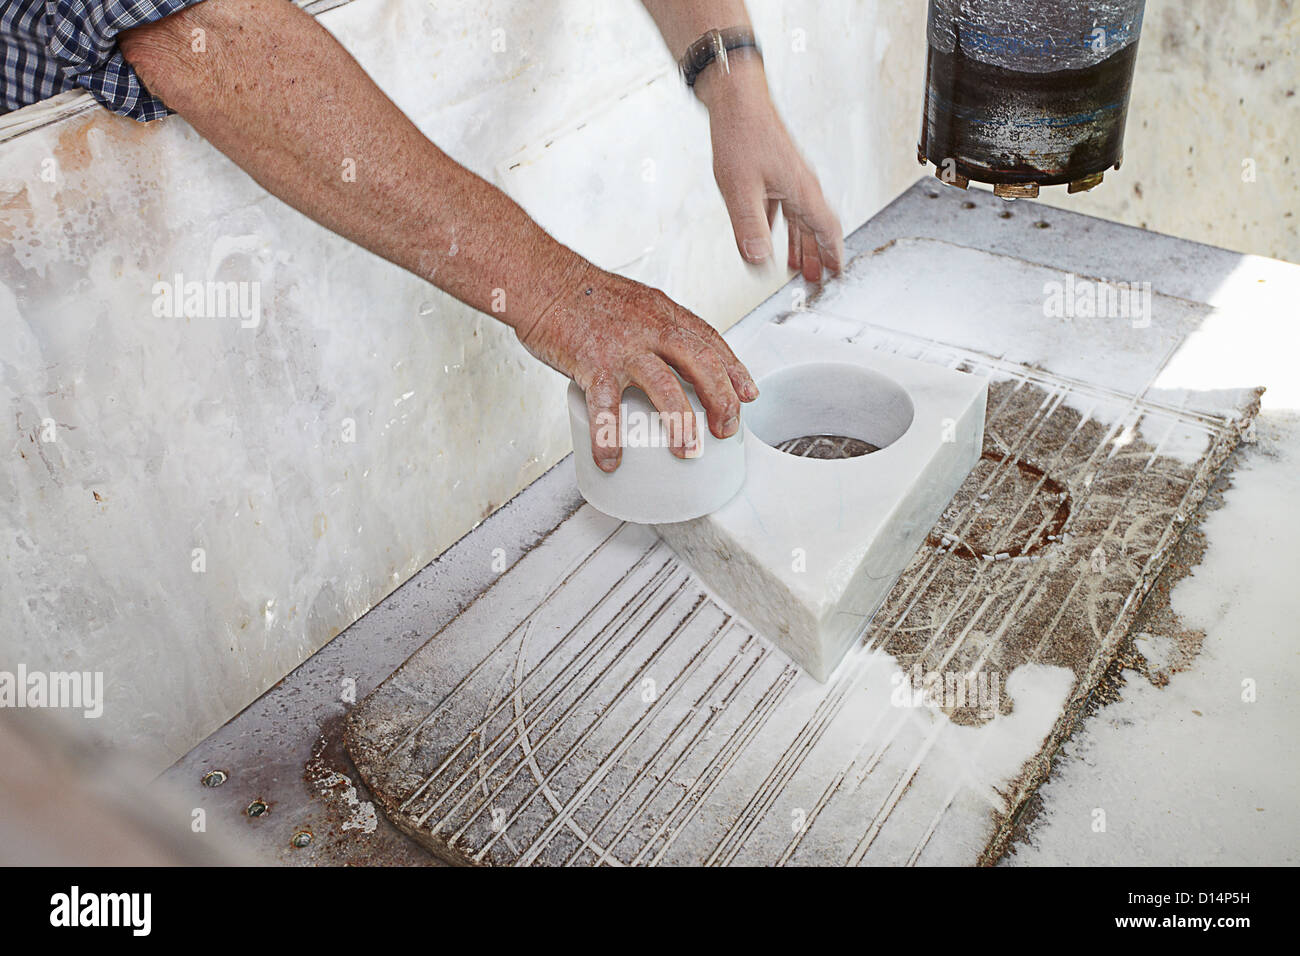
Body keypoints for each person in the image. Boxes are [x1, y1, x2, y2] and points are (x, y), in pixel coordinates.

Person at [2, 0, 844, 470]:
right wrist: (557, 295)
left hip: (405, 214)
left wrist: (733, 83)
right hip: (99, 298)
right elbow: (201, 36)